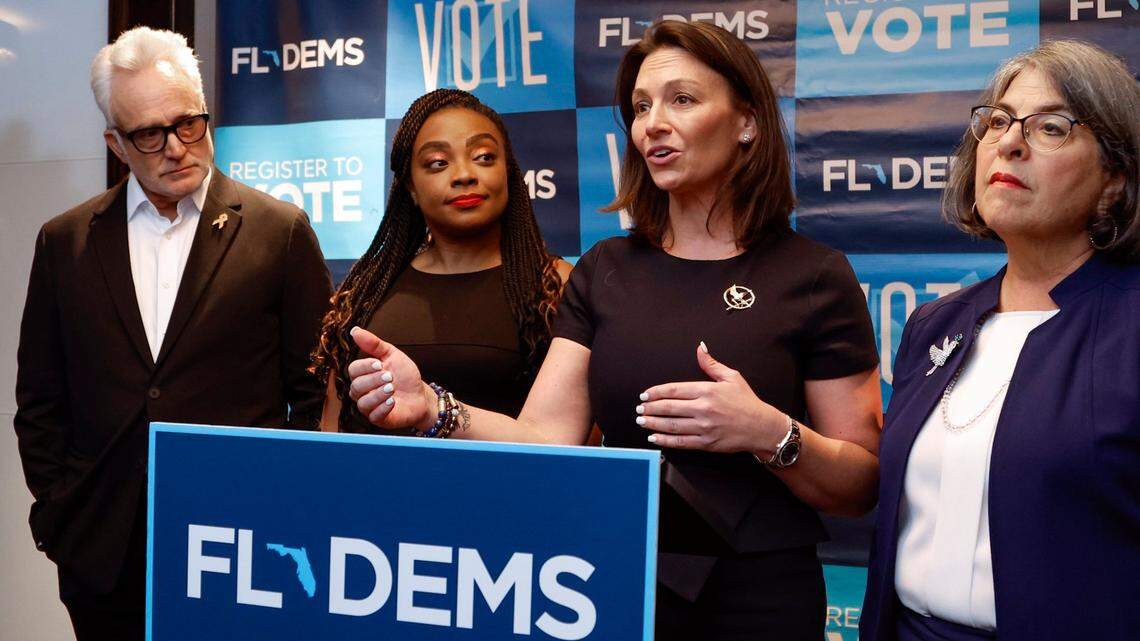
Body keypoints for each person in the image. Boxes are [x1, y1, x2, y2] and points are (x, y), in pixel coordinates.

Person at [346, 21, 882, 639]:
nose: (653, 123)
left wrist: (768, 431)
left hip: (758, 596)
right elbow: (549, 440)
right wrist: (432, 408)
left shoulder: (813, 275)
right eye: (641, 107)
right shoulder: (607, 269)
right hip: (617, 579)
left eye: (682, 99)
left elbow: (860, 483)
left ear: (747, 122)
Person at [13, 27, 332, 640]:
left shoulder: (278, 230)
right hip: (103, 553)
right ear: (115, 142)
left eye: (189, 123)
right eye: (149, 134)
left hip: (243, 546)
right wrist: (61, 514)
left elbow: (316, 391)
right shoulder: (65, 241)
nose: (177, 147)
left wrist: (287, 508)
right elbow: (41, 401)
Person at [860, 40, 1140, 641]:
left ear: (1114, 181)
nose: (1010, 142)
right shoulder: (934, 325)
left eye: (1052, 127)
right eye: (998, 121)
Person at [311, 89, 571, 431]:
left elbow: (575, 440)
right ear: (411, 188)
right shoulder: (364, 292)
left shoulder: (557, 286)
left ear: (508, 172)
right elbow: (333, 432)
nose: (464, 174)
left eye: (484, 157)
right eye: (437, 163)